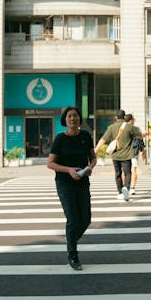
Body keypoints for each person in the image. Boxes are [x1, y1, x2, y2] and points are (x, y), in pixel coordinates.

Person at [48, 105, 97, 271]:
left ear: (79, 119)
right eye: (69, 116)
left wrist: (90, 167)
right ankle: (72, 254)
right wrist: (68, 170)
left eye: (75, 116)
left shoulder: (85, 136)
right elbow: (50, 164)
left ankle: (70, 241)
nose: (73, 118)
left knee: (86, 219)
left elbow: (93, 157)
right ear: (65, 120)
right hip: (65, 184)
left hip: (82, 182)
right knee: (73, 219)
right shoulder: (60, 139)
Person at [96, 110, 142, 202]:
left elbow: (103, 139)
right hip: (126, 155)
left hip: (115, 156)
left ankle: (120, 192)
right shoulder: (129, 127)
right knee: (127, 173)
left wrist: (96, 149)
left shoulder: (111, 128)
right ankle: (127, 189)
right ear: (124, 117)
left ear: (116, 118)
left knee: (118, 173)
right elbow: (139, 135)